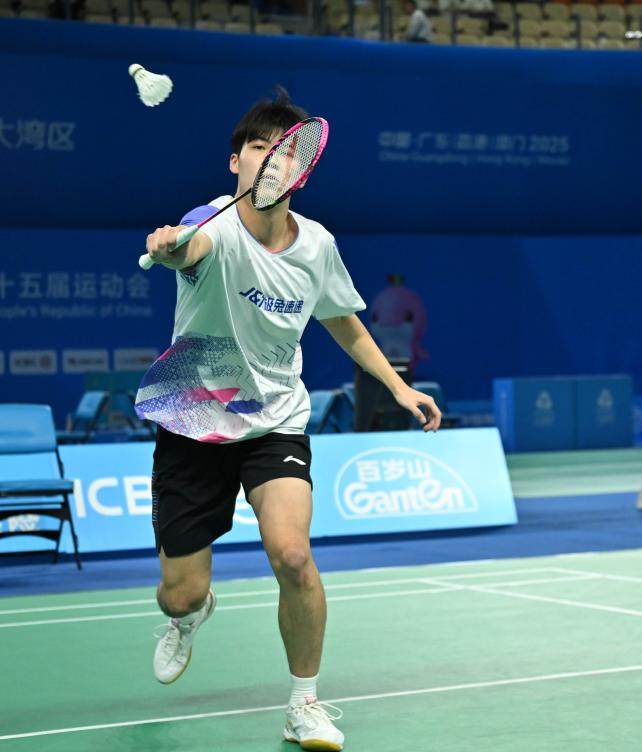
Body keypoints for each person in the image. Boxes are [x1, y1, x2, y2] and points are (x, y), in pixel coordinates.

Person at [137, 88, 442, 750]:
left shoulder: (317, 245)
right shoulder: (210, 226)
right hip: (194, 420)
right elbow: (189, 248)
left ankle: (304, 702)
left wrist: (397, 388)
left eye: (283, 153)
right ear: (235, 162)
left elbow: (343, 321)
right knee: (178, 593)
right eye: (257, 148)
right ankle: (189, 615)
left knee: (294, 555)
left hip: (274, 420)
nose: (270, 161)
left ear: (300, 170)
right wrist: (170, 248)